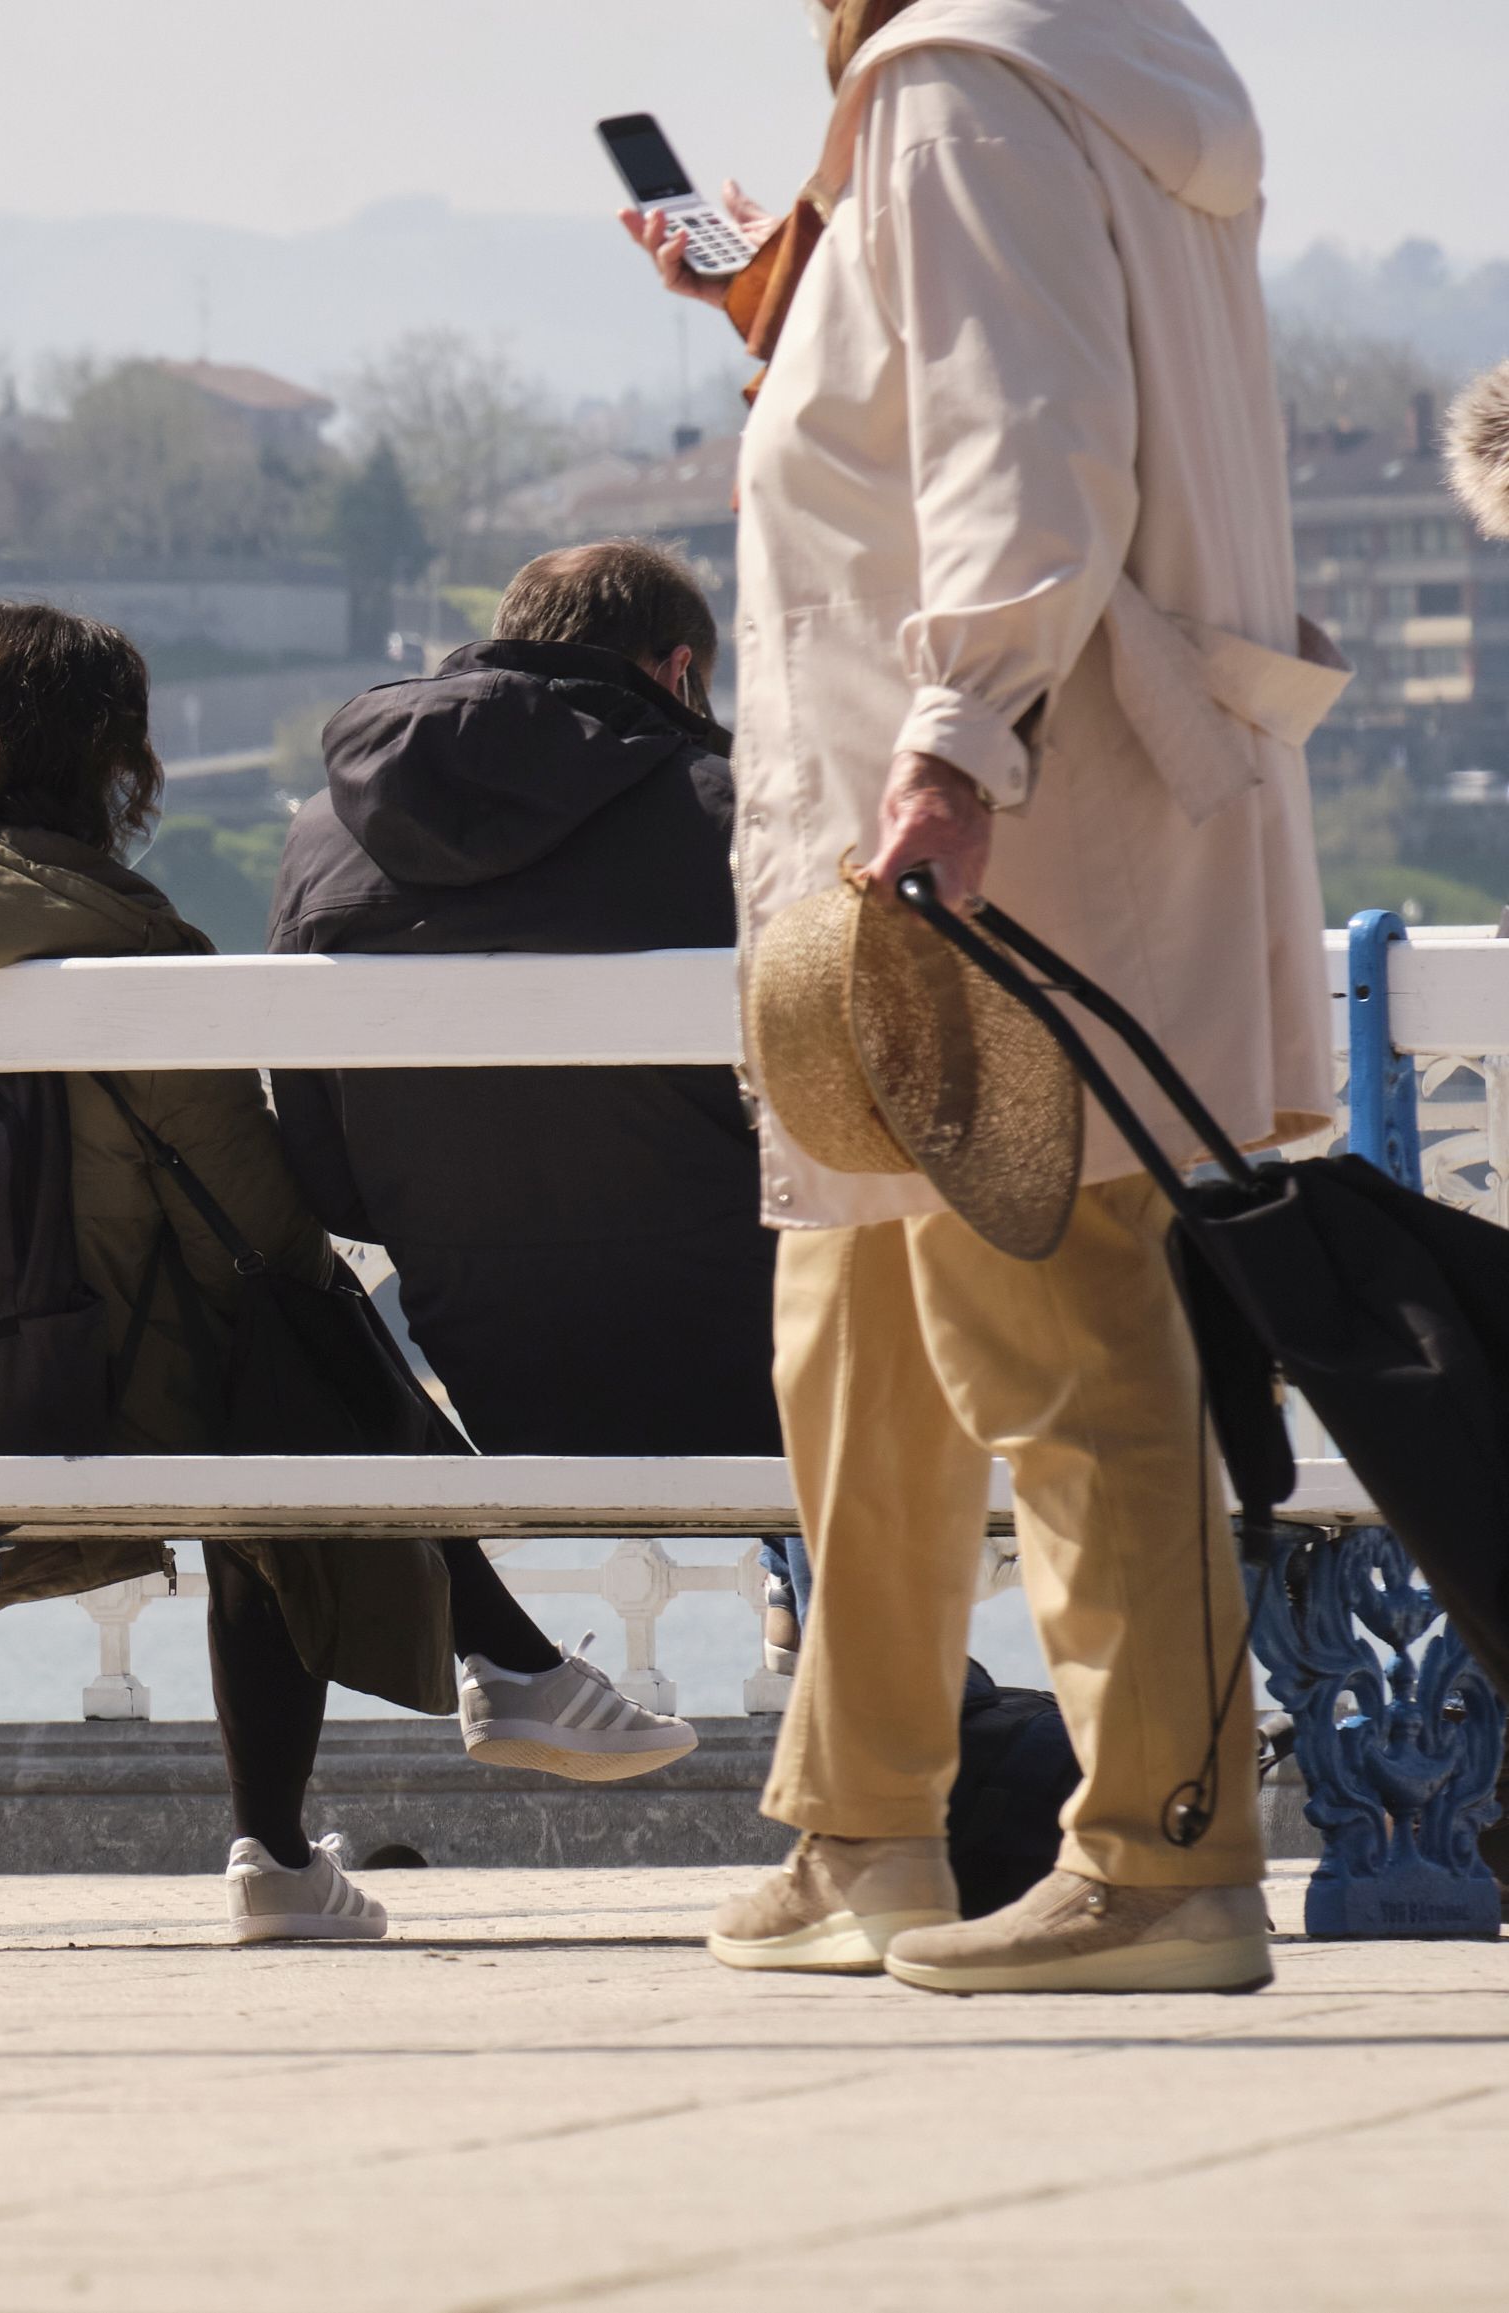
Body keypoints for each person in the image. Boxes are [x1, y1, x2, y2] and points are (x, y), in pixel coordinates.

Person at [630, 0, 1335, 1992]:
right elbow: (943, 424)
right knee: (857, 1309)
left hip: (971, 821)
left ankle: (1162, 1854)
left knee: (1048, 1312)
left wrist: (951, 760)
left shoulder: (954, 96)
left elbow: (1027, 453)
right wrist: (797, 316)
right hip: (984, 804)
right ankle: (861, 1822)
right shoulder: (1090, 70)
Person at [0, 602, 695, 1943]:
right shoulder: (101, 938)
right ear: (96, 756)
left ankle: (469, 1700)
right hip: (59, 1386)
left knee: (268, 1366)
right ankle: (450, 1703)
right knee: (283, 1357)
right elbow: (251, 1207)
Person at [271, 540, 797, 1679]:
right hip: (752, 1391)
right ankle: (821, 1599)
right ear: (675, 674)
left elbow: (325, 1176)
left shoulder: (324, 835)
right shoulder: (729, 818)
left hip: (492, 1378)